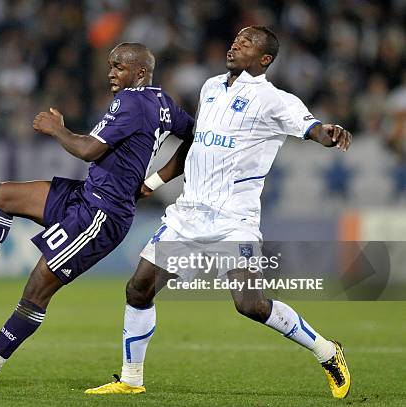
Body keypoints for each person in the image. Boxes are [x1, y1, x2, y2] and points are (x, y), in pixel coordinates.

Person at [85, 26, 352, 399]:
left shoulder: (275, 101)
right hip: (187, 215)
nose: (235, 44)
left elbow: (312, 128)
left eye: (246, 43)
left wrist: (330, 132)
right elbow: (194, 144)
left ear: (264, 60)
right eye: (235, 39)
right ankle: (131, 379)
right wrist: (155, 182)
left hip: (233, 221)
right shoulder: (210, 87)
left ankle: (326, 350)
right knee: (139, 288)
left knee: (251, 305)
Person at [0, 42, 195, 392]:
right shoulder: (164, 103)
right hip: (85, 195)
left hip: (101, 215)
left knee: (36, 290)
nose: (111, 72)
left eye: (120, 66)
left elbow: (88, 150)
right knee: (4, 195)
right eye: (110, 65)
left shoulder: (132, 100)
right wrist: (154, 180)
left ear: (140, 72)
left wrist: (57, 129)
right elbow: (194, 136)